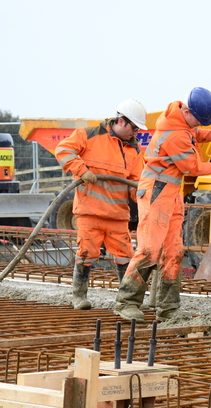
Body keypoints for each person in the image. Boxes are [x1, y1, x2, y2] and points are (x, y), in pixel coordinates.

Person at [114, 87, 211, 322]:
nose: (198, 125)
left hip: (171, 192)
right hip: (156, 191)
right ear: (187, 110)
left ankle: (168, 307)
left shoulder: (182, 123)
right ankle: (126, 302)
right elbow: (192, 168)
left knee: (173, 251)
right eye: (199, 120)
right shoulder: (175, 135)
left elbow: (197, 135)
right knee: (149, 250)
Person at [56, 99, 148, 310]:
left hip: (117, 215)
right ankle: (79, 296)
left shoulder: (134, 151)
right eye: (134, 128)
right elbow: (63, 150)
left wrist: (143, 196)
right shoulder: (88, 135)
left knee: (125, 256)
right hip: (90, 213)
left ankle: (127, 299)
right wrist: (81, 169)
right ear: (122, 121)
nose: (135, 133)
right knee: (87, 253)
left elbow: (136, 182)